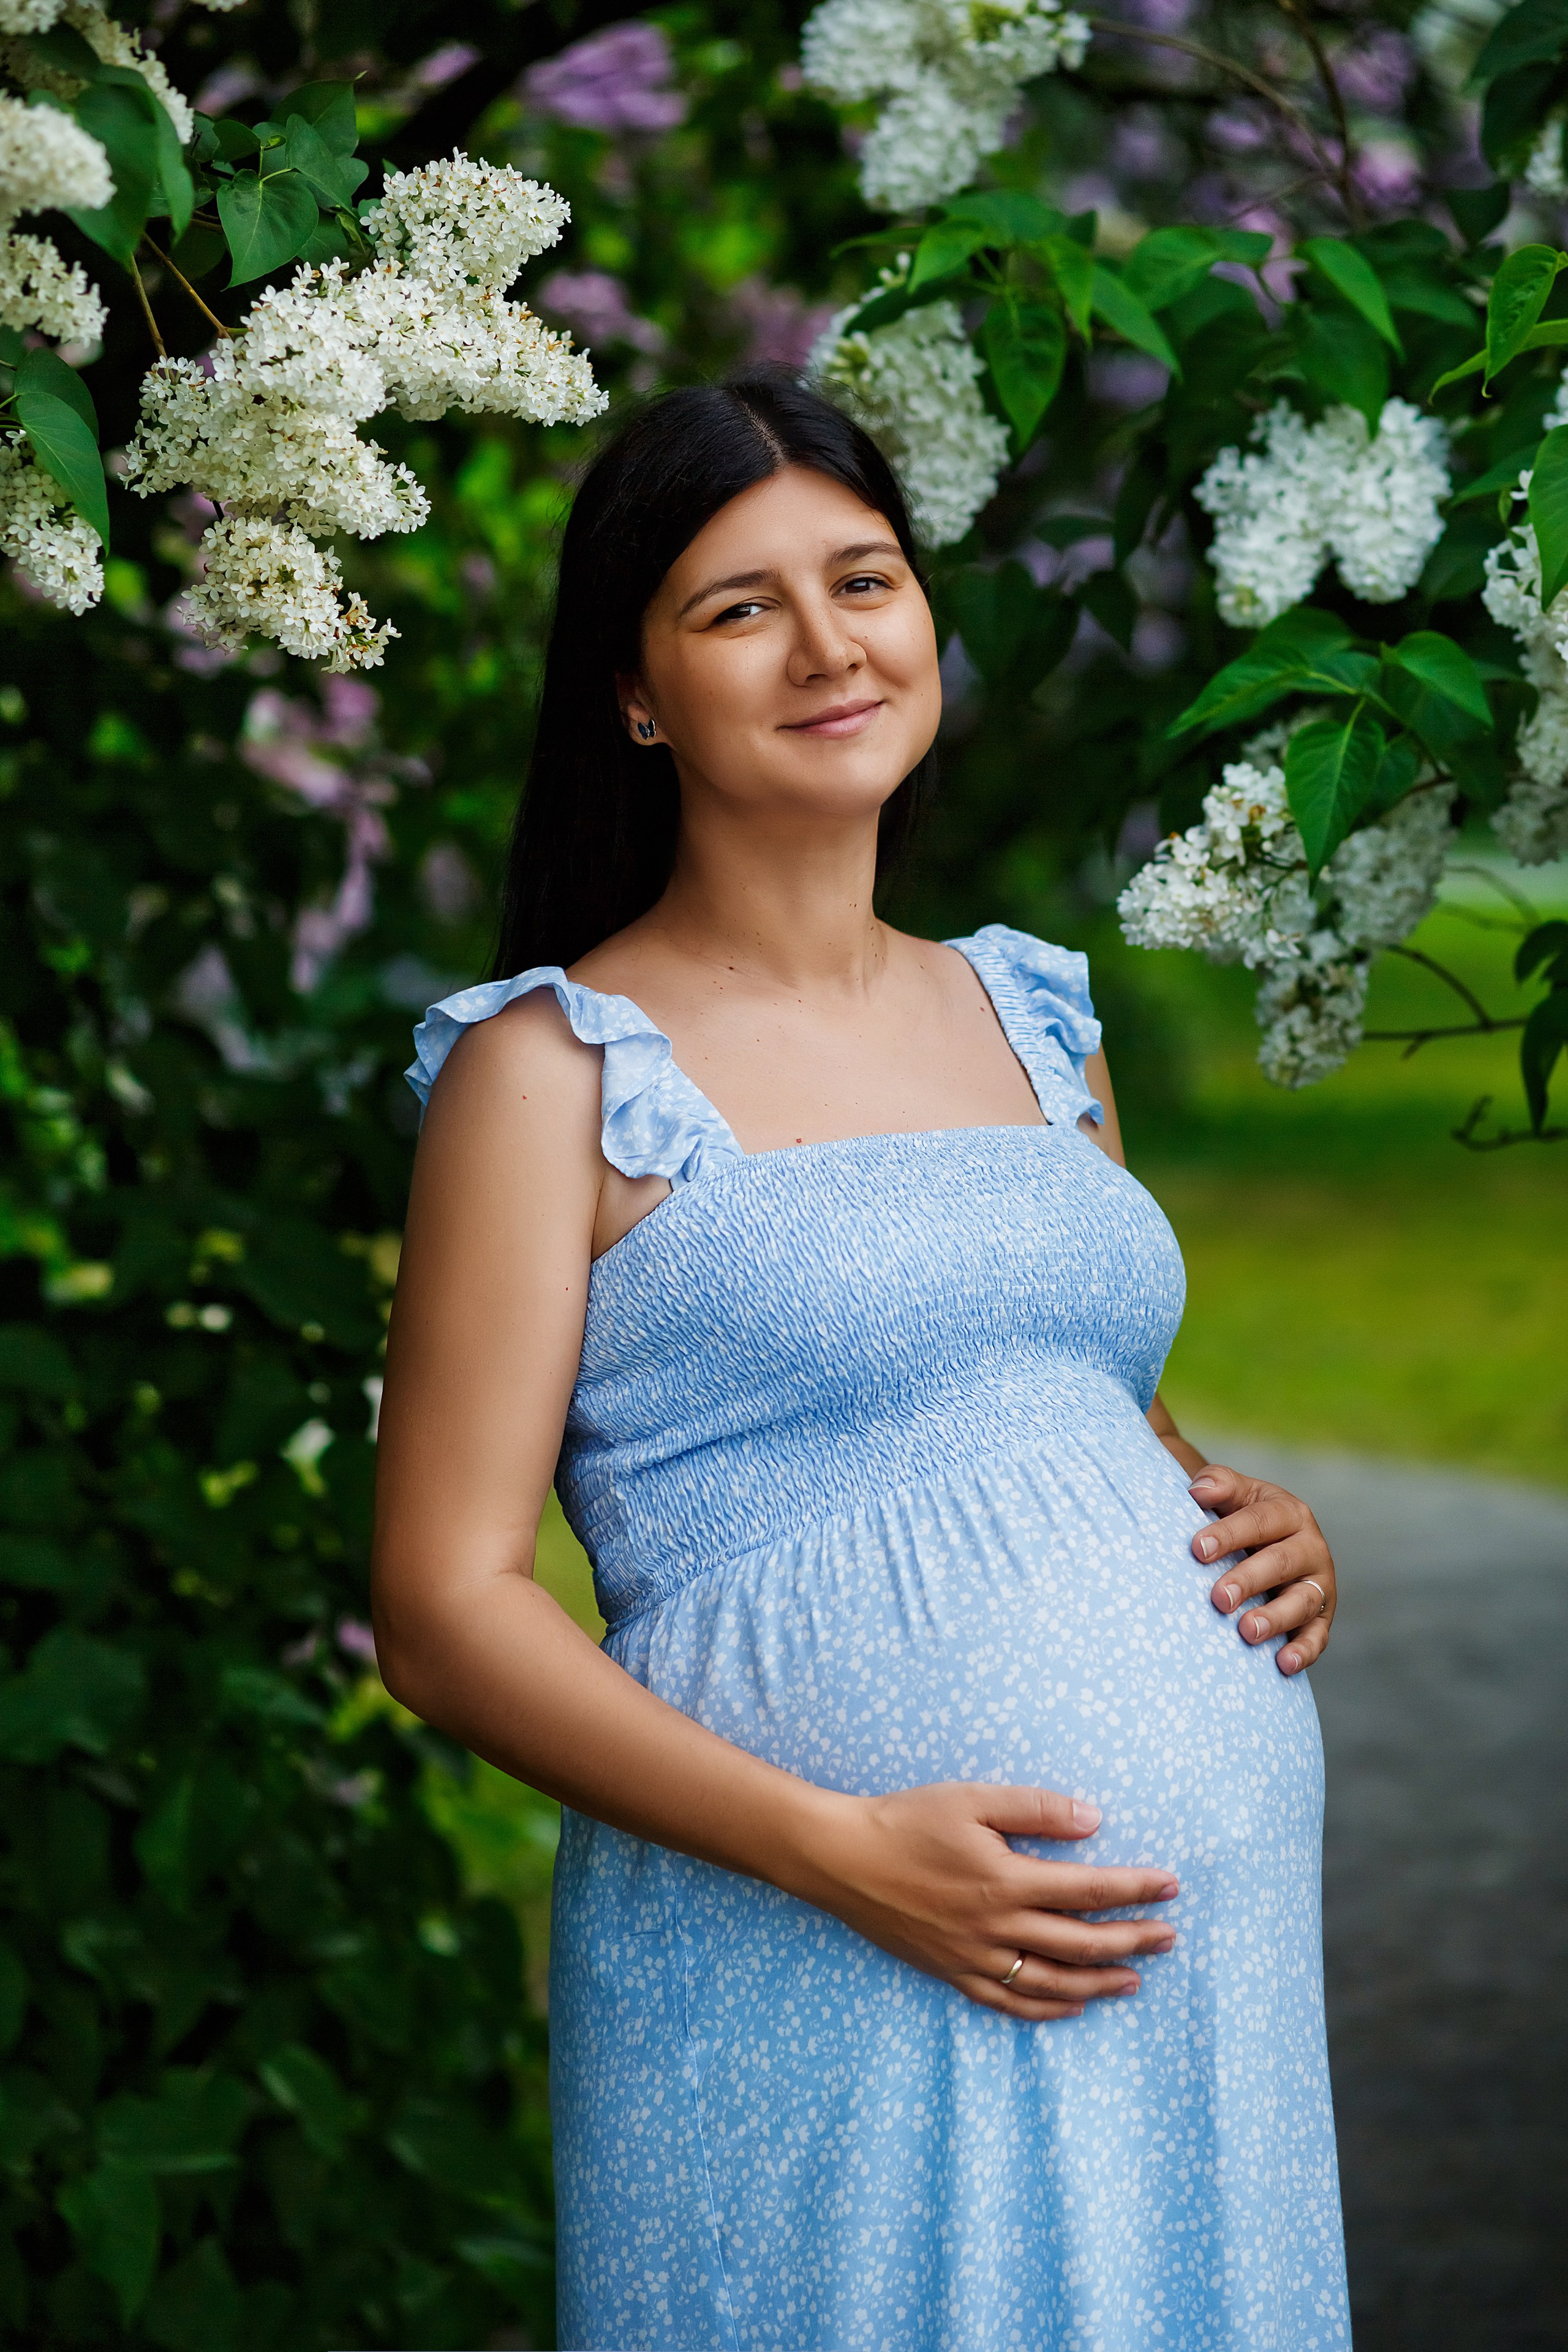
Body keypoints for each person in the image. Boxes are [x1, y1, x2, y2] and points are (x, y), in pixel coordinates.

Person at [371, 370, 1349, 2351]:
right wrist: (844, 1853)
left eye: (868, 580)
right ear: (636, 694)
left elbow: (1062, 1410)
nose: (829, 646)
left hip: (1198, 1983)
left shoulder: (1033, 1017)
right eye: (740, 607)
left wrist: (1254, 1516)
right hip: (818, 1949)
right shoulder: (550, 1071)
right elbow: (442, 1611)